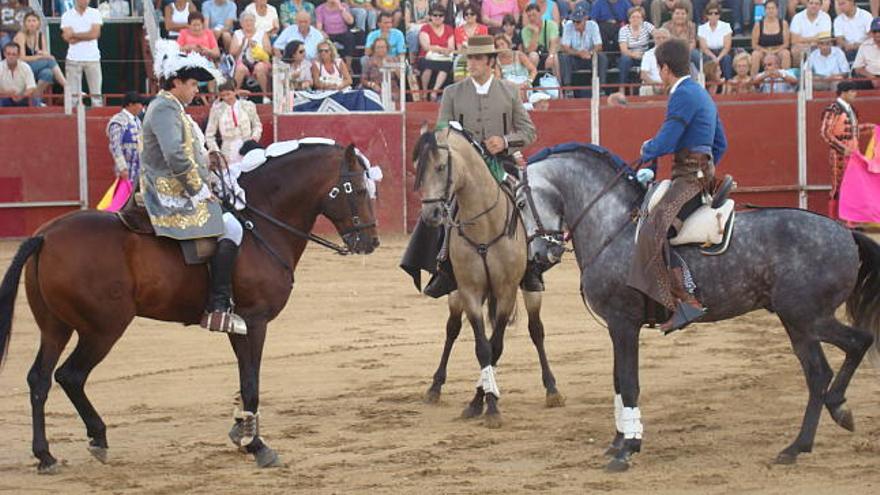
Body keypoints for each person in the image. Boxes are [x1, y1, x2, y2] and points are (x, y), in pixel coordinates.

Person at [420, 35, 540, 296]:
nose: (471, 63)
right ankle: (443, 266)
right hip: (464, 169)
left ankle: (529, 264)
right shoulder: (452, 92)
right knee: (440, 203)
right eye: (469, 58)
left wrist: (505, 141)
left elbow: (529, 132)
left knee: (526, 202)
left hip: (501, 163)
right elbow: (442, 132)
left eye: (477, 58)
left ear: (490, 62)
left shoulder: (509, 91)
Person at [141, 40, 246, 335]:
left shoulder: (171, 107)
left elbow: (184, 151)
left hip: (176, 184)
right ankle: (218, 305)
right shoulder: (164, 108)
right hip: (169, 191)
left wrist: (206, 160)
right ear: (176, 82)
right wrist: (198, 189)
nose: (197, 89)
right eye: (192, 83)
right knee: (233, 228)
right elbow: (175, 155)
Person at [630, 38, 727, 333]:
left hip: (688, 178)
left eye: (659, 68)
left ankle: (687, 301)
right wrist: (707, 167)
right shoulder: (701, 93)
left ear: (664, 68)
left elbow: (667, 141)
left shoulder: (682, 94)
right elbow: (721, 143)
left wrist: (647, 148)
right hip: (700, 175)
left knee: (651, 230)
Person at [819, 80, 874, 219]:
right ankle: (834, 221)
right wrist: (843, 149)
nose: (855, 94)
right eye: (852, 92)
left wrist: (868, 127)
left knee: (853, 187)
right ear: (843, 93)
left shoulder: (851, 109)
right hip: (839, 156)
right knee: (838, 187)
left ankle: (850, 221)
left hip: (854, 154)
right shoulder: (833, 109)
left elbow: (851, 131)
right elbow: (826, 133)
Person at [14, 12, 66, 106]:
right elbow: (21, 58)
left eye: (34, 21)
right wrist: (41, 56)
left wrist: (44, 55)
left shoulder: (40, 35)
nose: (31, 23)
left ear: (38, 23)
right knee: (49, 62)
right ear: (25, 23)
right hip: (21, 68)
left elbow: (45, 54)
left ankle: (35, 101)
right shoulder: (21, 35)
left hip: (35, 66)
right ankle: (67, 87)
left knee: (48, 73)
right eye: (29, 21)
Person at [206, 80, 262, 166]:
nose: (226, 98)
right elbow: (209, 135)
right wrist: (217, 152)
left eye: (228, 94)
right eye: (222, 95)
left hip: (247, 147)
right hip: (227, 151)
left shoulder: (248, 106)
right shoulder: (216, 110)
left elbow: (257, 125)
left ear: (235, 91)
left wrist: (253, 139)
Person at [61, 0, 103, 107]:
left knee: (96, 96)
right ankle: (71, 122)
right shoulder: (67, 15)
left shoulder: (95, 13)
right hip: (73, 59)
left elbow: (95, 34)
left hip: (93, 58)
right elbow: (67, 37)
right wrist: (87, 35)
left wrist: (74, 34)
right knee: (73, 97)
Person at [559, 6, 607, 97]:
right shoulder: (568, 25)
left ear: (585, 19)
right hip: (574, 57)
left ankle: (601, 88)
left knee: (602, 57)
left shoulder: (593, 25)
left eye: (578, 22)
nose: (575, 24)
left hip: (590, 56)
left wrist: (590, 53)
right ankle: (568, 88)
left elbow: (598, 45)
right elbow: (565, 47)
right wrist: (579, 53)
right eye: (573, 21)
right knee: (564, 57)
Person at [230, 11, 272, 97]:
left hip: (260, 61)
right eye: (246, 21)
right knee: (240, 69)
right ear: (241, 23)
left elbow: (269, 51)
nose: (248, 23)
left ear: (254, 22)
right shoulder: (237, 33)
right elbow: (232, 52)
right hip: (242, 62)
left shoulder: (262, 33)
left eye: (251, 20)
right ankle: (234, 95)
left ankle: (266, 95)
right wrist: (242, 44)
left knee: (260, 68)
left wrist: (255, 46)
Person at [106, 91, 144, 187]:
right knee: (124, 196)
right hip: (127, 166)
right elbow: (115, 146)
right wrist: (122, 168)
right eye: (139, 104)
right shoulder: (118, 121)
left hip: (139, 167)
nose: (141, 107)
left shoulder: (137, 121)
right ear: (131, 104)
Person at [418, 5, 455, 101]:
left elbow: (451, 47)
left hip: (443, 57)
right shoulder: (425, 28)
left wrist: (442, 50)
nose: (438, 17)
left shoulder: (448, 29)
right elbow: (425, 46)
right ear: (430, 16)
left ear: (444, 17)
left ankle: (434, 91)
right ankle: (425, 92)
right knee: (428, 66)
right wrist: (440, 48)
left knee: (446, 65)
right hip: (427, 56)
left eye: (441, 15)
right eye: (435, 15)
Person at [618, 6, 654, 92]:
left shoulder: (646, 25)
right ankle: (622, 87)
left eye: (638, 17)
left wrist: (645, 54)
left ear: (642, 19)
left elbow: (657, 34)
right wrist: (633, 54)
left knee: (652, 58)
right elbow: (623, 49)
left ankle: (652, 86)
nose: (635, 19)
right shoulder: (623, 30)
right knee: (625, 60)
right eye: (633, 17)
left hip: (644, 54)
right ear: (629, 19)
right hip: (630, 54)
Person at [749, 0, 790, 75]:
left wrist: (774, 51)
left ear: (777, 10)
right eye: (768, 8)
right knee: (755, 54)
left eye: (773, 8)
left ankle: (785, 81)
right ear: (764, 10)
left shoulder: (783, 23)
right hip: (763, 52)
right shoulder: (758, 24)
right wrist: (766, 51)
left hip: (778, 51)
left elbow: (786, 43)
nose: (770, 10)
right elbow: (754, 45)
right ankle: (754, 81)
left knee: (786, 53)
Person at [360, 37, 401, 106]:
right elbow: (363, 80)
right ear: (374, 49)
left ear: (387, 48)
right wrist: (372, 85)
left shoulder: (394, 60)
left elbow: (401, 78)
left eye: (383, 47)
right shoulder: (368, 61)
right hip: (374, 89)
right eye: (378, 47)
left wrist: (394, 67)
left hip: (392, 88)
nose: (381, 50)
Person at [522, 3, 559, 77]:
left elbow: (553, 43)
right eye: (529, 16)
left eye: (534, 15)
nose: (532, 18)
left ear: (540, 14)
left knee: (555, 58)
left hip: (548, 53)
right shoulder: (525, 30)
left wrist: (551, 56)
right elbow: (530, 50)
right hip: (535, 56)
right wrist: (535, 33)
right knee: (533, 56)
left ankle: (559, 85)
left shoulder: (551, 25)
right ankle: (531, 83)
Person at [697, 1, 732, 80]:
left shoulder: (726, 26)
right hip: (708, 53)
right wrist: (713, 57)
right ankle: (708, 83)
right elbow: (704, 48)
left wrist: (718, 58)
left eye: (716, 13)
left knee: (726, 58)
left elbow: (727, 47)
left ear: (719, 15)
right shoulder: (702, 28)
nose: (713, 15)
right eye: (710, 13)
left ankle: (727, 82)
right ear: (707, 15)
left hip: (722, 52)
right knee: (706, 59)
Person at [788, 0, 831, 66]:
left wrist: (802, 39)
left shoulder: (825, 17)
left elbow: (824, 38)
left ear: (820, 6)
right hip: (802, 47)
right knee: (796, 50)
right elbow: (794, 40)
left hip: (818, 45)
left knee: (824, 47)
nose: (813, 6)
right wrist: (814, 38)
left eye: (816, 4)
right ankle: (799, 73)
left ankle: (821, 72)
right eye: (811, 3)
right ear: (807, 4)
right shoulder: (797, 17)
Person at [315, 0, 355, 66]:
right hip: (328, 34)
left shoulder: (343, 6)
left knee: (350, 38)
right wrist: (322, 32)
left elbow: (350, 21)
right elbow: (319, 27)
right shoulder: (320, 9)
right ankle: (326, 65)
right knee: (322, 40)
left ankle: (348, 65)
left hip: (342, 32)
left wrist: (341, 8)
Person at [0, 41, 35, 106]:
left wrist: (21, 96)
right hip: (5, 98)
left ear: (18, 55)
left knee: (34, 100)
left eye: (14, 54)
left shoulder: (25, 67)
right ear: (4, 54)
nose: (11, 57)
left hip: (23, 97)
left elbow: (32, 87)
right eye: (8, 54)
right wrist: (7, 93)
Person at [640, 27, 671, 95]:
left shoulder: (675, 53)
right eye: (658, 38)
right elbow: (643, 75)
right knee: (646, 89)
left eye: (664, 38)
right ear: (654, 39)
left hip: (670, 84)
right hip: (653, 84)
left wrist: (668, 84)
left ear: (669, 39)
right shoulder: (648, 54)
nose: (661, 40)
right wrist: (654, 84)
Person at [852, 17, 880, 89]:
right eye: (875, 31)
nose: (877, 34)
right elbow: (858, 68)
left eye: (879, 31)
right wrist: (872, 77)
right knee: (858, 80)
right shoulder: (864, 46)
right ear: (871, 32)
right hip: (871, 76)